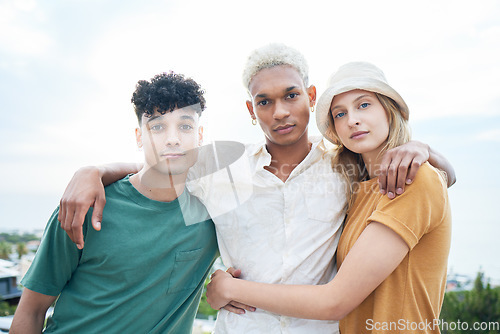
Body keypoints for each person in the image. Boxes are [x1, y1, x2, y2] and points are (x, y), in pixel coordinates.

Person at [56, 44, 455, 334]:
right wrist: (93, 170)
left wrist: (422, 147)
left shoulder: (342, 165)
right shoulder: (221, 167)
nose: (280, 112)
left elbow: (432, 182)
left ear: (310, 97)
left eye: (291, 96)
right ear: (251, 111)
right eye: (264, 102)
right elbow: (159, 169)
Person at [206, 62, 452, 334]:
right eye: (340, 113)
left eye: (364, 105)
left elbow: (335, 302)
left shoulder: (411, 180)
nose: (352, 120)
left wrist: (230, 288)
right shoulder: (358, 186)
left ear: (389, 110)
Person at [10, 72, 218, 333]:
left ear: (199, 135)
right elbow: (32, 309)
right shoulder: (87, 206)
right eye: (157, 126)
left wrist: (98, 169)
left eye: (185, 126)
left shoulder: (213, 212)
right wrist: (93, 171)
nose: (172, 138)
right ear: (139, 136)